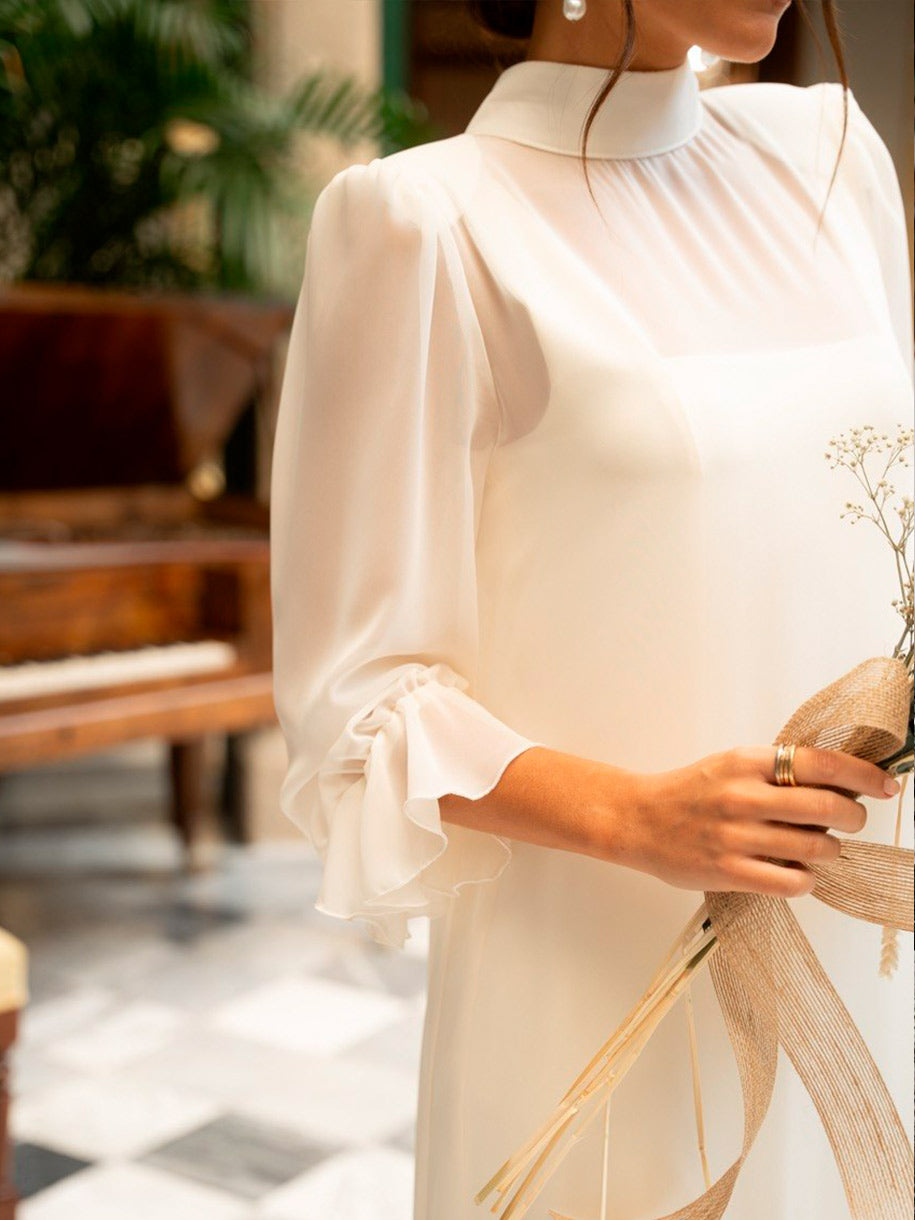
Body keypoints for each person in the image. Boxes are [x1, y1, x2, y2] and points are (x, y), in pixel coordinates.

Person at [269, 0, 913, 1216]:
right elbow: (358, 700)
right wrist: (642, 817)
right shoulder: (420, 224)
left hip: (866, 935)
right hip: (599, 957)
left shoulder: (831, 155)